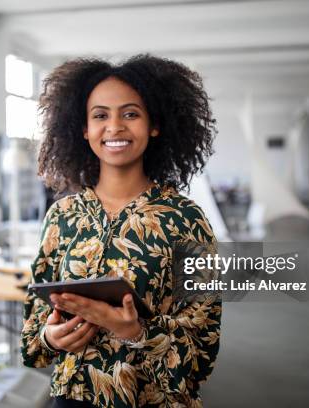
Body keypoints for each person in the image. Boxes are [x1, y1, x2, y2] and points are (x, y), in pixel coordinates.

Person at [21, 54, 221, 408]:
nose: (114, 127)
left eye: (130, 114)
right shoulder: (62, 216)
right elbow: (32, 337)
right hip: (72, 400)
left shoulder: (186, 219)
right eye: (100, 115)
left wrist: (135, 332)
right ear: (83, 129)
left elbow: (202, 351)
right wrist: (51, 337)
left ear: (154, 125)